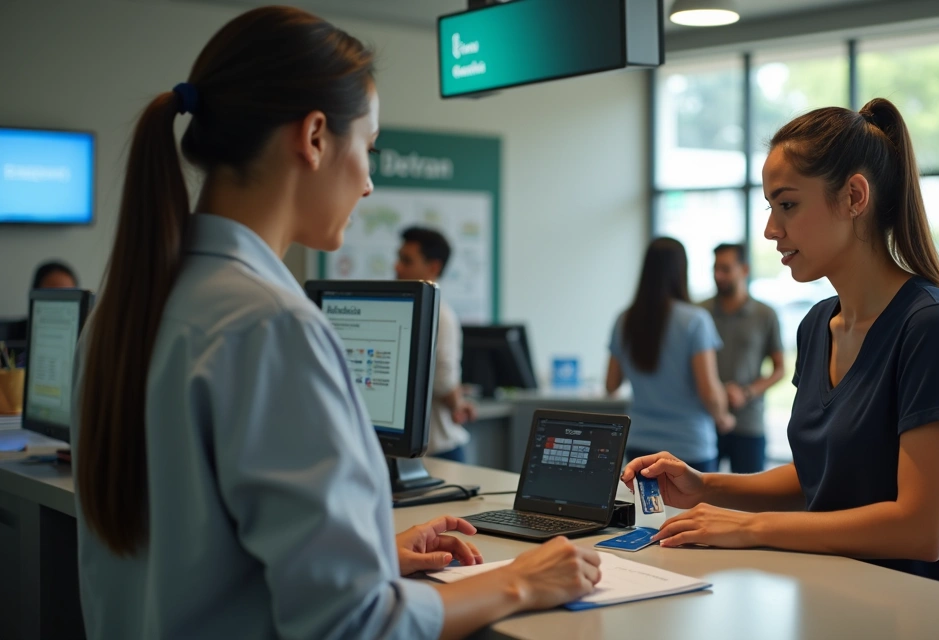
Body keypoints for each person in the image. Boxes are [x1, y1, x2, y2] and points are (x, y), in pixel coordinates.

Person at [70, 7, 599, 639]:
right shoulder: (271, 326)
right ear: (316, 136)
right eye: (368, 149)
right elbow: (353, 626)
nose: (369, 184)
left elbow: (194, 557)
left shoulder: (125, 309)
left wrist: (365, 557)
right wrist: (520, 581)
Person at [622, 99, 939, 588]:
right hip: (827, 597)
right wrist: (704, 485)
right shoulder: (818, 325)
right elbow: (817, 477)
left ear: (854, 196)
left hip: (914, 610)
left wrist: (750, 528)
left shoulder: (931, 326)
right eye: (770, 208)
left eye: (788, 205)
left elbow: (921, 529)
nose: (771, 230)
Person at [606, 237, 735, 473]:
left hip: (639, 445)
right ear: (681, 271)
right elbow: (709, 392)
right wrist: (723, 417)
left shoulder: (625, 320)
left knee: (643, 501)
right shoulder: (695, 320)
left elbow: (611, 384)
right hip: (689, 446)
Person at [699, 243, 784, 474]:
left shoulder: (765, 314)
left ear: (744, 269)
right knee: (699, 491)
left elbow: (779, 369)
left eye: (725, 269)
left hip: (749, 423)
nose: (718, 275)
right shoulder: (699, 313)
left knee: (749, 494)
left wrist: (747, 393)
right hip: (705, 420)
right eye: (715, 269)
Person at [395, 226, 476, 462]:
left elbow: (443, 380)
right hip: (418, 446)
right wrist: (457, 401)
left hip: (438, 447)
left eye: (407, 261)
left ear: (433, 267)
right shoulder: (405, 309)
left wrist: (457, 403)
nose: (397, 267)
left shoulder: (440, 315)